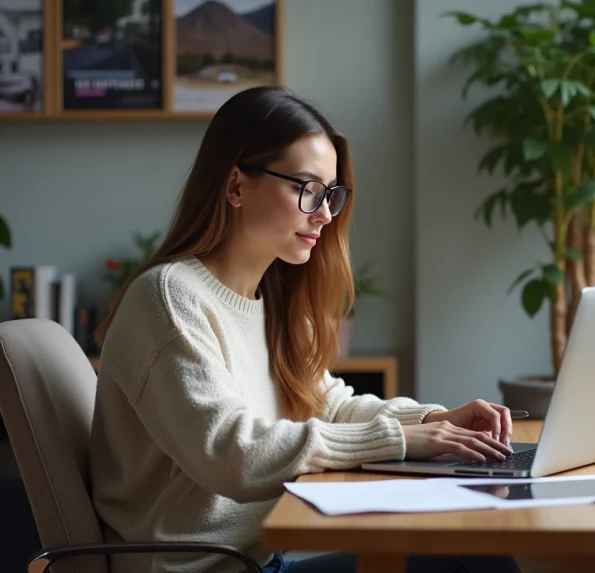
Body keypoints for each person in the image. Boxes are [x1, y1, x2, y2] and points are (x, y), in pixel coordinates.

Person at [88, 86, 522, 573]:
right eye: (307, 189)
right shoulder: (169, 299)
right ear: (234, 186)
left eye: (330, 193)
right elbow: (231, 454)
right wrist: (399, 440)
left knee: (472, 549)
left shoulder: (269, 299)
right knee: (472, 557)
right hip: (207, 569)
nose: (325, 213)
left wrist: (431, 422)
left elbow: (329, 405)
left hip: (260, 561)